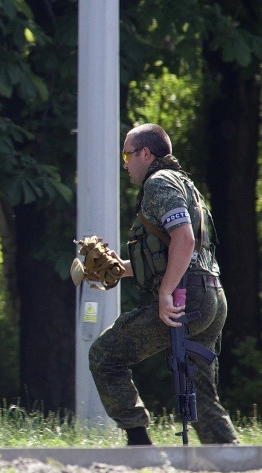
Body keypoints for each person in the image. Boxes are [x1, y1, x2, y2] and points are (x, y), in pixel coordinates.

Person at [89, 123, 239, 446]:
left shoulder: (158, 183)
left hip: (188, 297)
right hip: (211, 295)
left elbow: (184, 240)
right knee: (202, 399)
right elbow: (177, 251)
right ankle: (235, 460)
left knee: (105, 355)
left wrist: (166, 293)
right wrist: (120, 270)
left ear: (146, 153)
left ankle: (139, 444)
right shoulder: (186, 184)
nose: (124, 164)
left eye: (126, 155)